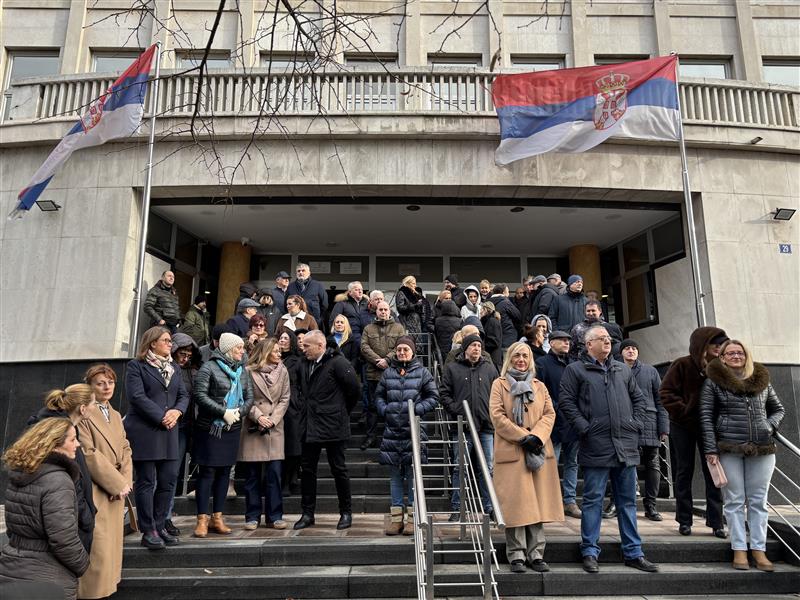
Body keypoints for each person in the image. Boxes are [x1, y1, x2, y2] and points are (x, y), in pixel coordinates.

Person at [558, 327, 658, 574]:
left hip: (625, 444)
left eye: (609, 339)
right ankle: (590, 551)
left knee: (627, 501)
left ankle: (634, 552)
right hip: (596, 444)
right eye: (602, 338)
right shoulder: (575, 370)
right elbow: (566, 402)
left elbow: (639, 399)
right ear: (588, 344)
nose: (607, 341)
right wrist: (585, 428)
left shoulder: (622, 369)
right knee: (593, 500)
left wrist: (636, 424)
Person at [700, 340, 785, 572]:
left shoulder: (761, 380)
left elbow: (778, 409)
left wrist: (769, 426)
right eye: (730, 353)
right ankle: (739, 548)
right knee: (734, 500)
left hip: (762, 448)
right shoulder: (713, 382)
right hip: (729, 448)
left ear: (746, 356)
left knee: (758, 501)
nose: (736, 356)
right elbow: (705, 417)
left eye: (740, 352)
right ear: (722, 358)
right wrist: (710, 449)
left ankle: (759, 549)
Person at [490, 342, 563, 573]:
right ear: (509, 359)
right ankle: (516, 555)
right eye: (517, 355)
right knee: (517, 505)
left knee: (537, 504)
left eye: (525, 355)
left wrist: (537, 436)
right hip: (513, 451)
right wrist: (523, 437)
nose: (521, 359)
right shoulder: (499, 384)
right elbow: (497, 416)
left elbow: (549, 414)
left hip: (538, 450)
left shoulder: (539, 386)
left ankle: (537, 554)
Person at [0, 418, 90, 600]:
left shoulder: (20, 474)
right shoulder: (58, 481)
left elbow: (13, 528)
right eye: (73, 439)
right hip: (48, 576)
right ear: (54, 445)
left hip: (11, 568)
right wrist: (83, 564)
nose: (78, 444)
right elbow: (63, 539)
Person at [124, 326, 189, 550]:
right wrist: (162, 416)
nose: (170, 344)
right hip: (146, 430)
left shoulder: (174, 367)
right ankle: (148, 529)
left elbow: (183, 395)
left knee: (168, 480)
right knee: (146, 481)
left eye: (170, 341)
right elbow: (136, 396)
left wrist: (177, 412)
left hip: (169, 430)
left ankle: (160, 526)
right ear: (152, 343)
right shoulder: (136, 366)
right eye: (166, 340)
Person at [659, 326, 728, 538]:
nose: (719, 347)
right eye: (715, 343)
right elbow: (666, 392)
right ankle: (684, 520)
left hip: (711, 427)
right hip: (683, 426)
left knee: (713, 472)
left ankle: (717, 522)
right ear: (702, 344)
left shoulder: (721, 367)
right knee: (684, 471)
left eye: (721, 343)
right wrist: (684, 411)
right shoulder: (682, 364)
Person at [294, 331, 361, 531]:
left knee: (339, 469)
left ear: (320, 346)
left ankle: (346, 512)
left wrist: (341, 411)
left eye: (307, 346)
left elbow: (354, 390)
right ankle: (307, 513)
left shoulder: (338, 363)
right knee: (307, 470)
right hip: (309, 425)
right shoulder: (303, 363)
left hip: (333, 424)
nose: (303, 349)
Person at [77, 363, 132, 599]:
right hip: (98, 488)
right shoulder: (83, 414)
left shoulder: (116, 414)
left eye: (110, 382)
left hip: (117, 489)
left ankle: (106, 590)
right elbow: (87, 453)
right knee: (98, 548)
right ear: (90, 386)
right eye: (100, 383)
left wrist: (125, 481)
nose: (107, 387)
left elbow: (125, 448)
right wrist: (117, 483)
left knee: (110, 548)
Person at [192, 332, 254, 537]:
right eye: (238, 348)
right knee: (207, 472)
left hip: (232, 428)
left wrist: (238, 413)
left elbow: (249, 397)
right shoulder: (208, 368)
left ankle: (217, 517)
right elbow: (200, 395)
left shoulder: (242, 371)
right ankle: (202, 519)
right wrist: (223, 412)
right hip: (211, 428)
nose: (242, 351)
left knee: (225, 472)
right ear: (227, 349)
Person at [375, 336, 439, 535]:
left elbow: (433, 397)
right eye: (399, 349)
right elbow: (379, 396)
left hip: (413, 430)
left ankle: (412, 518)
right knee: (395, 476)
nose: (402, 353)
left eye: (405, 349)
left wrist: (417, 409)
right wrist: (385, 409)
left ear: (413, 352)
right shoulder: (388, 373)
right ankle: (396, 519)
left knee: (412, 475)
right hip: (392, 430)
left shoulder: (423, 372)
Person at [27, 386, 97, 555]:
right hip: (69, 525)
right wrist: (86, 517)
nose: (95, 407)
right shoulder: (60, 435)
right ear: (83, 408)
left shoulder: (62, 429)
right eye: (93, 404)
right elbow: (69, 482)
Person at [440, 334, 499, 520]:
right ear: (465, 348)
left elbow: (498, 393)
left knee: (487, 468)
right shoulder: (452, 368)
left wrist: (492, 413)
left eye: (479, 346)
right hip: (462, 426)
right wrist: (457, 410)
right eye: (473, 345)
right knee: (460, 468)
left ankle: (489, 508)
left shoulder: (490, 368)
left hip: (486, 426)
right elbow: (444, 394)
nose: (477, 348)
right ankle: (457, 508)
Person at [614, 339, 669, 522]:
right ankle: (618, 502)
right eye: (627, 348)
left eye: (634, 348)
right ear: (621, 352)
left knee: (653, 464)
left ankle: (651, 505)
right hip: (623, 421)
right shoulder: (615, 369)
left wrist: (663, 427)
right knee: (623, 463)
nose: (631, 351)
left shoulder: (650, 371)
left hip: (649, 421)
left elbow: (660, 399)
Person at [240, 337, 291, 530]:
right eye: (276, 351)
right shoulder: (248, 371)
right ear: (266, 352)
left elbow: (285, 398)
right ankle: (252, 516)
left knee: (274, 475)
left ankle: (274, 516)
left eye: (280, 351)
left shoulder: (283, 371)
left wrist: (273, 420)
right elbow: (243, 397)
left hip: (274, 428)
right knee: (252, 476)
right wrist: (258, 417)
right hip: (253, 427)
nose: (279, 353)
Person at [534, 330, 581, 519]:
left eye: (568, 340)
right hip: (552, 423)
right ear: (551, 342)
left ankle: (569, 501)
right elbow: (539, 392)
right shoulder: (542, 364)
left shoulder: (575, 364)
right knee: (550, 463)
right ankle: (548, 502)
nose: (566, 343)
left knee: (572, 463)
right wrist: (556, 408)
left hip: (573, 423)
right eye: (562, 340)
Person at [360, 301, 406, 450]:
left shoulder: (399, 328)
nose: (383, 312)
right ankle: (371, 437)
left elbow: (401, 346)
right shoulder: (368, 328)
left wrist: (387, 360)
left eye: (386, 309)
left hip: (392, 375)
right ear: (376, 311)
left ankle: (390, 438)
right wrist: (377, 360)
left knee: (392, 407)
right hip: (373, 374)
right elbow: (364, 347)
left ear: (390, 311)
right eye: (381, 309)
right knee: (372, 407)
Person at [166, 333, 199, 535]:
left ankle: (166, 514)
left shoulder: (193, 371)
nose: (185, 358)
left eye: (188, 355)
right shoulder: (166, 369)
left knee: (174, 473)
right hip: (168, 425)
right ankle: (162, 515)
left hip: (187, 426)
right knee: (165, 474)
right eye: (182, 354)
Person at [278, 330, 306, 495]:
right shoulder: (273, 358)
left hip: (293, 404)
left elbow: (303, 383)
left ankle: (291, 477)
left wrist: (299, 401)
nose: (282, 340)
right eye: (280, 338)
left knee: (292, 443)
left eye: (285, 338)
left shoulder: (298, 360)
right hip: (275, 402)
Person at [287, 263, 328, 327]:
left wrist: (319, 319)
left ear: (309, 273)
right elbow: (286, 304)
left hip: (313, 321)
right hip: (295, 322)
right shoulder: (290, 286)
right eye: (298, 271)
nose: (300, 272)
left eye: (303, 270)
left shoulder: (318, 285)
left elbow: (324, 305)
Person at [489, 284, 522, 350]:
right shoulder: (506, 302)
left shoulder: (487, 302)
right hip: (507, 337)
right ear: (504, 292)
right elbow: (518, 316)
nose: (509, 294)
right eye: (508, 291)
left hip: (493, 338)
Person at [480, 301, 503, 369]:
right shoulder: (488, 321)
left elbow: (494, 341)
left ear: (486, 309)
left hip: (493, 359)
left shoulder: (492, 321)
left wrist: (482, 346)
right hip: (492, 358)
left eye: (481, 309)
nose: (480, 312)